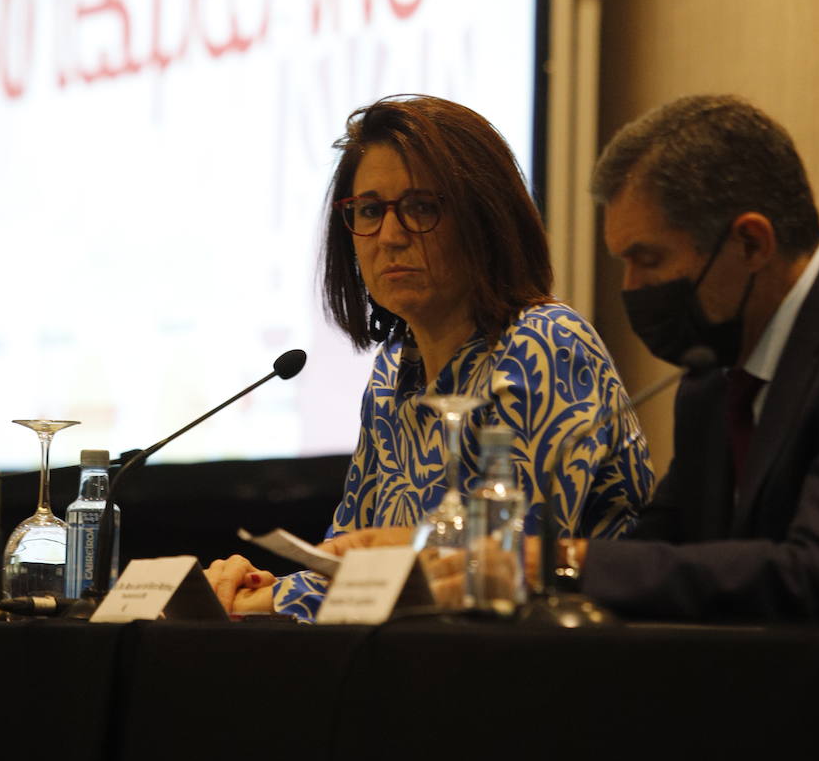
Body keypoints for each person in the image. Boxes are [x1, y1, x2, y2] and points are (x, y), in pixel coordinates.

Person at [207, 94, 652, 619]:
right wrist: (255, 585)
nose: (391, 237)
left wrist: (263, 602)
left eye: (421, 208)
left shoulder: (543, 344)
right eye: (369, 211)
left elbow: (491, 573)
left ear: (484, 220)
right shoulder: (392, 373)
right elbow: (346, 564)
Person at [544, 93, 819, 620]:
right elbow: (665, 550)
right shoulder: (712, 380)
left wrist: (568, 562)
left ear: (750, 243)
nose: (631, 289)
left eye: (648, 260)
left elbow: (813, 574)